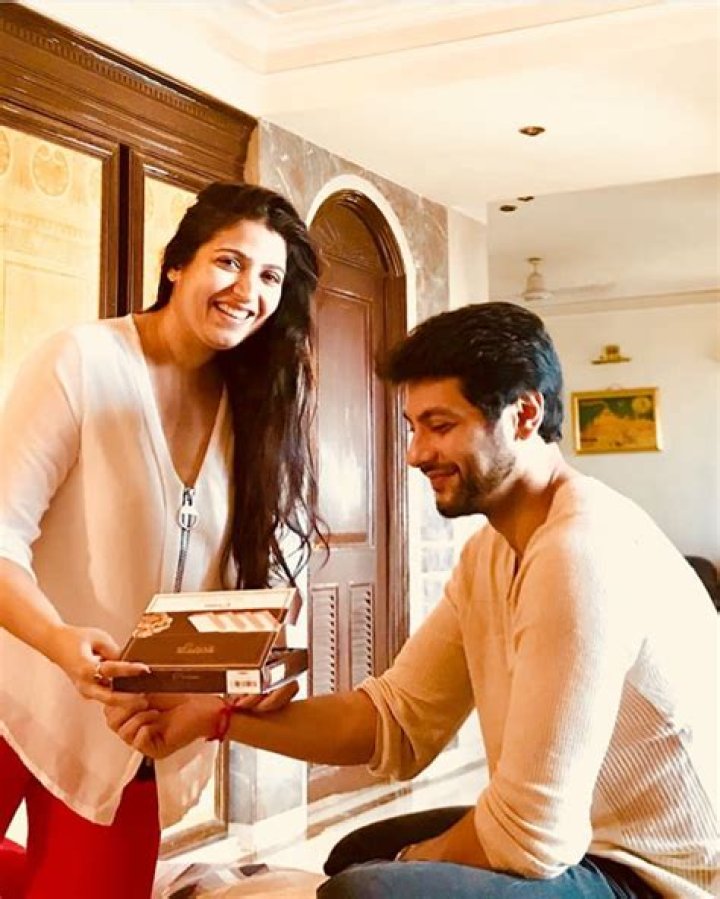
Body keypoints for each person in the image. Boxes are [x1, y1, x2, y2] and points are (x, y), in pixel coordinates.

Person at [107, 302, 719, 898]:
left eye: (441, 426)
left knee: (364, 887)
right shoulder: (491, 551)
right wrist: (215, 715)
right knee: (355, 856)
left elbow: (532, 836)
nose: (416, 453)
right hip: (582, 840)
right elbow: (393, 722)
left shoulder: (580, 549)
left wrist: (404, 863)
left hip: (656, 877)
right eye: (413, 427)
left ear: (524, 415)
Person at [0, 182, 324, 898]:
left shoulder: (257, 408)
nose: (248, 290)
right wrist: (56, 639)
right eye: (229, 261)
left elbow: (264, 583)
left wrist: (250, 670)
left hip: (124, 731)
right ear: (177, 263)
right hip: (12, 686)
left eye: (270, 277)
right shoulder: (82, 360)